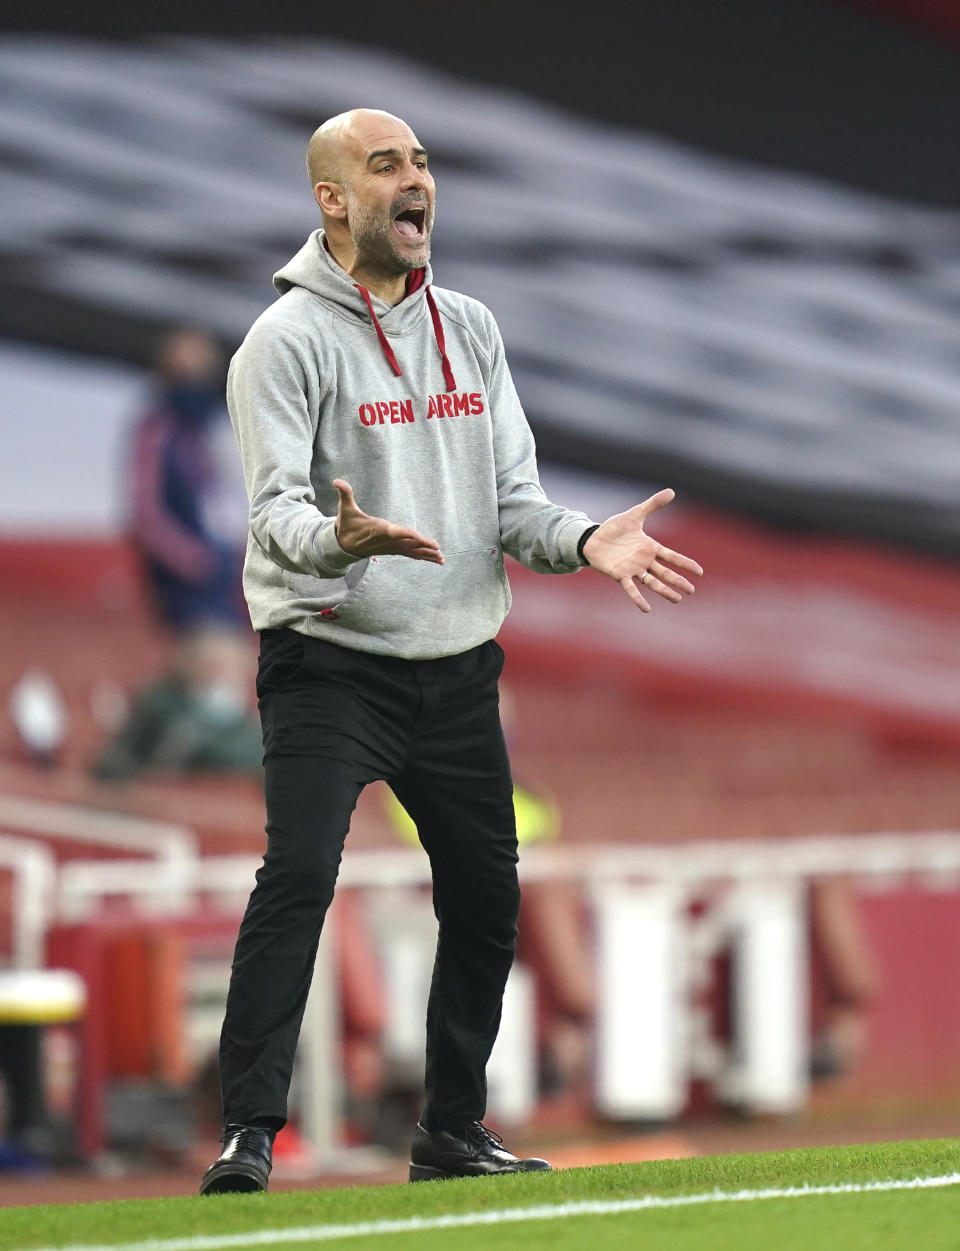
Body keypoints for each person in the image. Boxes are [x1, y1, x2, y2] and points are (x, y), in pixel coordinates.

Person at [199, 108, 702, 1195]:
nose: (416, 182)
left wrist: (582, 541)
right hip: (330, 664)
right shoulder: (281, 346)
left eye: (424, 163)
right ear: (333, 198)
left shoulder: (470, 327)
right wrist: (344, 537)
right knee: (298, 876)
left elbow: (512, 500)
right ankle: (248, 1132)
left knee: (485, 896)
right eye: (387, 166)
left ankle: (451, 1128)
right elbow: (274, 515)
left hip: (459, 665)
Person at [92, 329, 262, 782]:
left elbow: (221, 500)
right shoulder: (156, 431)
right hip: (186, 577)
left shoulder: (204, 432)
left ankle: (128, 750)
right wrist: (190, 561)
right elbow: (145, 515)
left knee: (207, 664)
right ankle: (201, 748)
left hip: (223, 571)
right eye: (187, 371)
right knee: (219, 664)